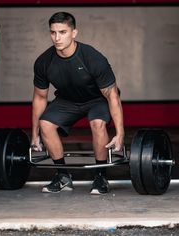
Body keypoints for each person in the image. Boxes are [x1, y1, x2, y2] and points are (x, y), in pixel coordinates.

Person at [31, 12, 124, 195]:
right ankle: (63, 176)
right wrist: (35, 134)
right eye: (53, 32)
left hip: (97, 99)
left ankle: (100, 176)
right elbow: (40, 98)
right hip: (68, 100)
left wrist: (120, 133)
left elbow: (112, 95)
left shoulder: (92, 58)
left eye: (63, 32)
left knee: (97, 124)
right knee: (45, 124)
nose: (57, 38)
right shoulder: (44, 61)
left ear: (74, 33)